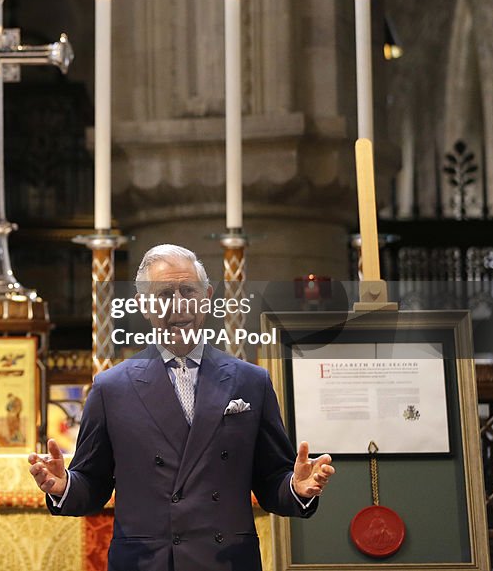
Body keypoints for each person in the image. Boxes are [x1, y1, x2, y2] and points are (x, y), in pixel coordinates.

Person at [28, 244, 335, 571]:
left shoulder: (251, 381)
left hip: (227, 561)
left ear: (207, 297)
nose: (179, 305)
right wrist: (64, 486)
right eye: (163, 295)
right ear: (142, 305)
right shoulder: (111, 388)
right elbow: (93, 484)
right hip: (149, 563)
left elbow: (273, 479)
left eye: (188, 290)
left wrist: (297, 488)